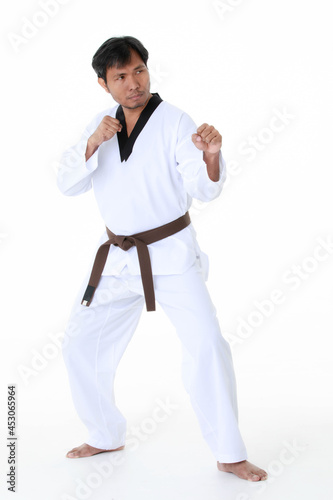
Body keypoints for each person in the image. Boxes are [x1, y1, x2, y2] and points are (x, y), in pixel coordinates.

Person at [57, 35, 267, 482]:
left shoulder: (175, 121)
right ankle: (105, 432)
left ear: (147, 70)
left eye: (139, 71)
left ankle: (229, 452)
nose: (133, 83)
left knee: (207, 344)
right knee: (78, 341)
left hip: (169, 255)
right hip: (115, 259)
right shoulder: (101, 124)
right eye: (121, 77)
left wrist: (211, 155)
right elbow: (67, 184)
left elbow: (205, 187)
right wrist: (93, 142)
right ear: (103, 84)